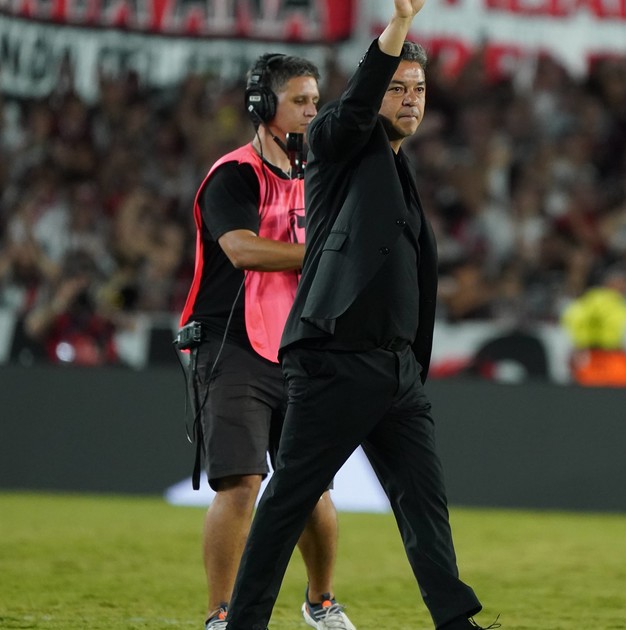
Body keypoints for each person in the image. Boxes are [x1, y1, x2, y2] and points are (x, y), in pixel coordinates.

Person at [225, 2, 496, 629]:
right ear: (372, 93)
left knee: (424, 505)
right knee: (289, 501)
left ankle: (456, 622)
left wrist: (412, 364)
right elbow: (352, 109)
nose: (410, 99)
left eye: (419, 89)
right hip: (336, 358)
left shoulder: (399, 166)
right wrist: (398, 26)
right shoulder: (335, 140)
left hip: (396, 371)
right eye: (397, 87)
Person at [175, 53, 357, 630]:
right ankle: (221, 614)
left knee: (311, 489)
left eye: (315, 101)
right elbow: (240, 249)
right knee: (240, 484)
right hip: (230, 345)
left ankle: (321, 602)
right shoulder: (232, 175)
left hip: (298, 346)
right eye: (300, 101)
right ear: (262, 105)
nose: (312, 111)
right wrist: (321, 253)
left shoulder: (320, 175)